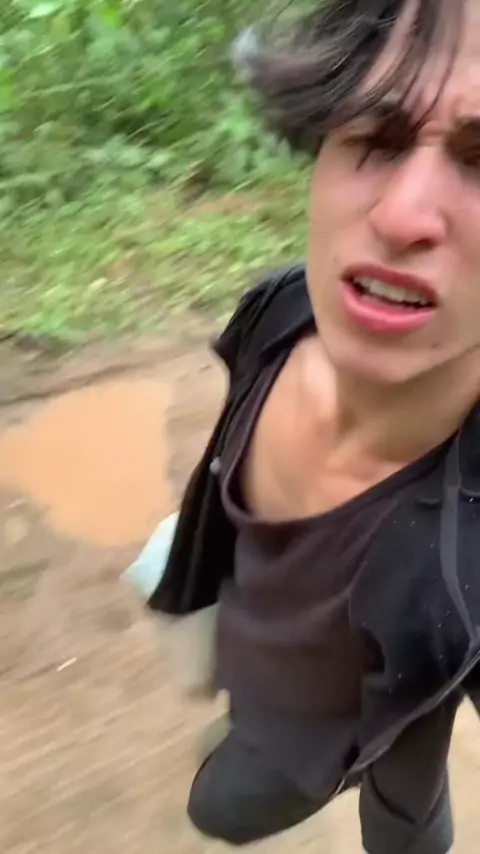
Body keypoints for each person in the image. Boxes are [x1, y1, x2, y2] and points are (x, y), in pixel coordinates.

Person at [146, 1, 480, 851]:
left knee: (372, 813)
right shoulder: (276, 313)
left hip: (356, 712)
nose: (403, 215)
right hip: (304, 671)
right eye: (378, 133)